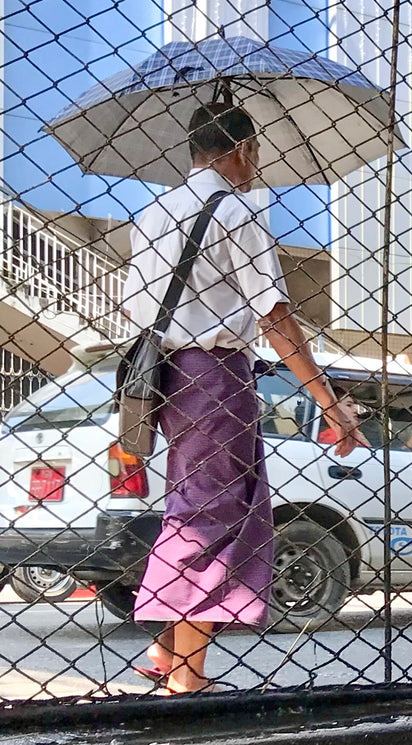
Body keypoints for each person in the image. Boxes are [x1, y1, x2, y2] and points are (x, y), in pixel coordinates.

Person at [122, 103, 365, 695]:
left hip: (160, 374)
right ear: (243, 149)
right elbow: (275, 317)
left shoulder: (154, 210)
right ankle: (188, 674)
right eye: (256, 152)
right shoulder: (238, 211)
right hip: (217, 374)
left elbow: (137, 306)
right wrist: (328, 401)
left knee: (193, 500)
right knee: (214, 511)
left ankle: (164, 650)